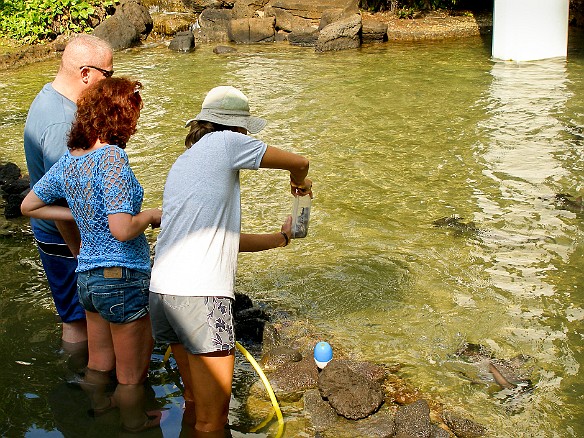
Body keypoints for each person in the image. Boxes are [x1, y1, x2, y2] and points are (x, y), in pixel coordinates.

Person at [149, 85, 313, 436]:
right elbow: (301, 162)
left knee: (193, 404)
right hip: (200, 296)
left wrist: (281, 239)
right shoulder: (226, 143)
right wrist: (299, 184)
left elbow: (223, 240)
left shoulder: (184, 163)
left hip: (162, 294)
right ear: (238, 128)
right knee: (214, 422)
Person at [21, 77, 162, 433]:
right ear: (118, 115)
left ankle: (98, 409)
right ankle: (133, 422)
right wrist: (151, 216)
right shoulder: (111, 158)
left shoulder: (71, 162)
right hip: (121, 274)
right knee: (130, 376)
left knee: (98, 363)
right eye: (133, 112)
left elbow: (30, 205)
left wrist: (81, 213)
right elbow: (122, 229)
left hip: (86, 276)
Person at [23, 34, 114, 372]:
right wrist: (83, 252)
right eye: (108, 74)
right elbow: (63, 196)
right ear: (87, 73)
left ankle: (80, 378)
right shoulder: (62, 121)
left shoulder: (50, 98)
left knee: (72, 312)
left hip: (52, 232)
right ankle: (86, 383)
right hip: (64, 237)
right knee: (80, 319)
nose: (110, 83)